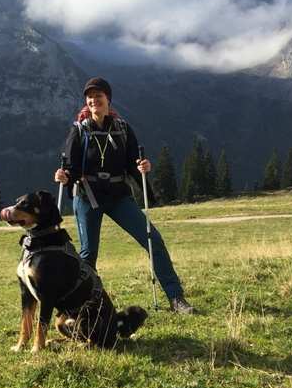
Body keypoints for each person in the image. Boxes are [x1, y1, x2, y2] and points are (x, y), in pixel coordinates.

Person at [54, 77, 195, 314]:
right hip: (89, 196)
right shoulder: (78, 130)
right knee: (88, 255)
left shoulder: (122, 128)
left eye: (98, 96)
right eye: (90, 97)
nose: (93, 100)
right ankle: (85, 309)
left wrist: (142, 167)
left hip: (118, 196)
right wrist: (65, 175)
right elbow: (71, 165)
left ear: (108, 99)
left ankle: (176, 298)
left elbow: (132, 162)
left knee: (153, 241)